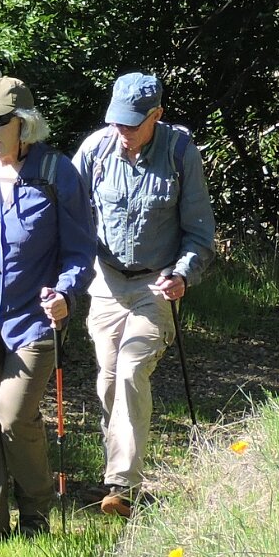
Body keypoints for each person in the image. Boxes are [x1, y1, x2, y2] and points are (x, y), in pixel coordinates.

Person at [0, 77, 95, 543]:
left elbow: (80, 250)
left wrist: (66, 293)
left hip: (34, 320)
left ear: (23, 124)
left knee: (14, 416)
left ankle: (35, 513)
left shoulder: (56, 173)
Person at [73, 73, 216, 516]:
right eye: (117, 121)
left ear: (157, 115)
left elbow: (200, 232)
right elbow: (66, 213)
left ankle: (122, 485)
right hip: (106, 281)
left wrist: (183, 275)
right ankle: (118, 471)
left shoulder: (179, 152)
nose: (123, 131)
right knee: (109, 378)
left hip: (156, 282)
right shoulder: (95, 151)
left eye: (133, 123)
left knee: (132, 369)